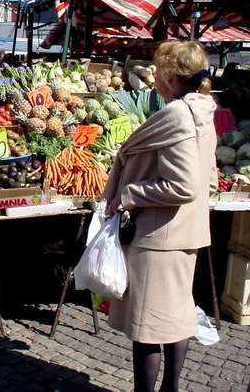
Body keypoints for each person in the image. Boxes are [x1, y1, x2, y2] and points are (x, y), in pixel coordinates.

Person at [103, 40, 216, 392]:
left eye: (157, 71)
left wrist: (129, 194)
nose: (153, 78)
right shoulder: (203, 109)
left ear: (169, 76)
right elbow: (207, 177)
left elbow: (183, 185)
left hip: (160, 236)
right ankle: (170, 388)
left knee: (149, 327)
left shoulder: (178, 114)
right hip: (185, 232)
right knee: (177, 318)